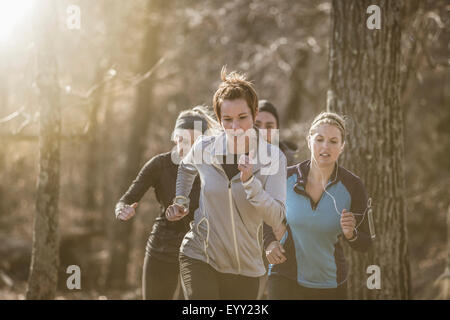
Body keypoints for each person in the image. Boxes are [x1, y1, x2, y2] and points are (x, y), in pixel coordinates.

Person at [165, 67, 287, 300]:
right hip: (201, 255)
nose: (235, 127)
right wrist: (180, 200)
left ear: (254, 114)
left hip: (247, 267)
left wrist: (250, 182)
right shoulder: (204, 147)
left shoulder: (273, 158)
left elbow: (277, 216)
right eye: (227, 120)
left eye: (242, 118)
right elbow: (186, 167)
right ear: (219, 120)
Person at [264, 112, 373, 299]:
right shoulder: (285, 177)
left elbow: (366, 243)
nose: (325, 146)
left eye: (333, 141)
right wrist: (269, 243)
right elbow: (266, 217)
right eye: (320, 139)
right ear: (309, 141)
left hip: (330, 284)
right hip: (285, 276)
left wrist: (351, 234)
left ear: (342, 147)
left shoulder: (353, 186)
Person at [115, 106, 217, 300]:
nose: (186, 148)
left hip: (200, 253)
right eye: (181, 140)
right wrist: (122, 210)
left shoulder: (215, 171)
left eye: (194, 142)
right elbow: (126, 199)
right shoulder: (160, 165)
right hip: (161, 248)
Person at [255, 100, 297, 166]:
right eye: (256, 125)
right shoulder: (236, 156)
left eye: (269, 127)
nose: (262, 132)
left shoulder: (291, 163)